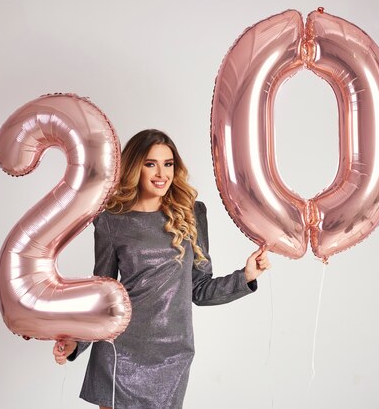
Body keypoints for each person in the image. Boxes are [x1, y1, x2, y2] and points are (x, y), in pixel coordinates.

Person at [52, 129, 271, 409]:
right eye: (150, 163)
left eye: (168, 164)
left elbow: (200, 290)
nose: (161, 173)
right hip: (119, 350)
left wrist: (247, 276)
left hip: (172, 354)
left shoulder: (191, 213)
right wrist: (77, 344)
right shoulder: (111, 221)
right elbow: (103, 292)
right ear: (135, 167)